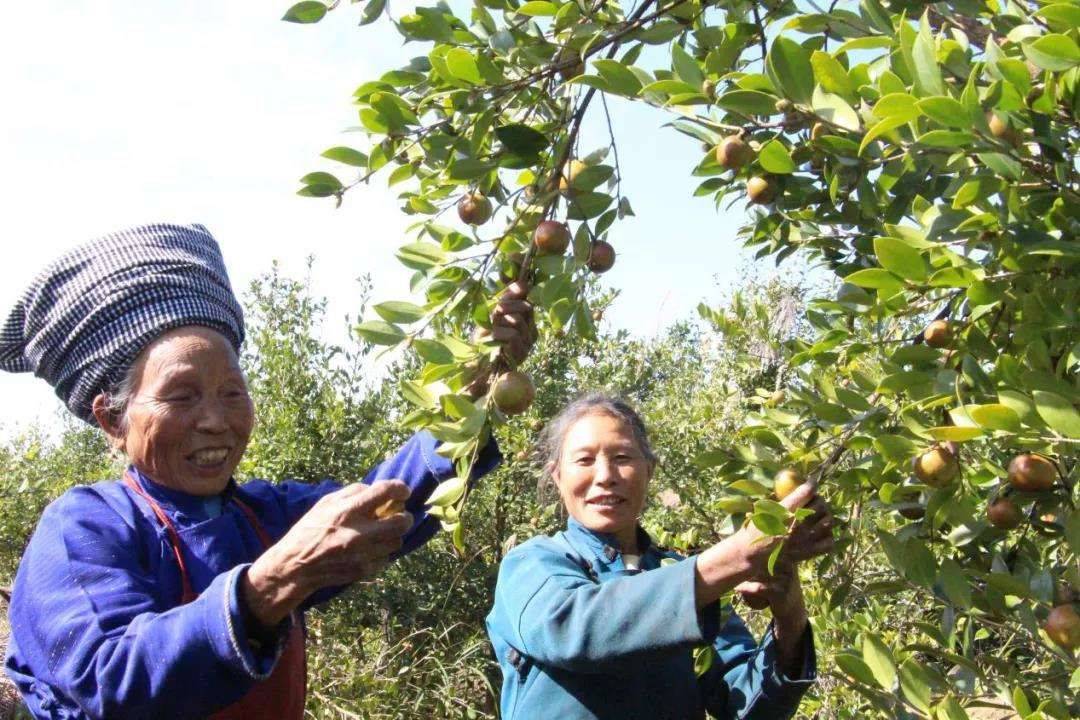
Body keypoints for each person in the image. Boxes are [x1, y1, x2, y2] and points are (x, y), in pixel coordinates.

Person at [0, 223, 534, 719]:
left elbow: (391, 500)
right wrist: (273, 582)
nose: (215, 420)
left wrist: (479, 387)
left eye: (233, 392)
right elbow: (110, 678)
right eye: (181, 396)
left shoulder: (264, 516)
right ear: (112, 420)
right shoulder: (83, 528)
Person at [486, 394, 834, 720]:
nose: (605, 476)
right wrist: (738, 556)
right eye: (585, 460)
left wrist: (789, 614)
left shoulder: (683, 574)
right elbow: (575, 630)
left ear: (649, 470)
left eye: (622, 457)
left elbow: (745, 705)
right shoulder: (532, 564)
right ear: (558, 476)